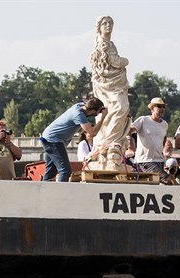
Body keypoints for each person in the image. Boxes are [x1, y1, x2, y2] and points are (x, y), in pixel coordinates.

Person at [89, 15, 131, 157]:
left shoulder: (109, 43)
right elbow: (115, 61)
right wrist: (126, 61)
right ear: (99, 27)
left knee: (114, 110)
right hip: (107, 84)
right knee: (120, 107)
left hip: (113, 83)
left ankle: (110, 141)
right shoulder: (103, 44)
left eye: (110, 23)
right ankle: (110, 141)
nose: (108, 25)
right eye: (105, 23)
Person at [40, 98, 107, 182]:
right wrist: (102, 117)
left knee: (51, 171)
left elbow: (89, 103)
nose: (98, 114)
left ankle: (44, 192)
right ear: (93, 111)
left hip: (48, 137)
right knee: (65, 171)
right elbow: (92, 133)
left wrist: (100, 107)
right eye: (98, 112)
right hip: (53, 140)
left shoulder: (79, 106)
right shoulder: (78, 115)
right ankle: (61, 193)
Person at [131, 97, 169, 182]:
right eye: (159, 106)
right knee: (166, 179)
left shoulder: (164, 124)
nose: (162, 109)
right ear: (152, 109)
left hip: (159, 159)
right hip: (145, 160)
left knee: (156, 184)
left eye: (163, 107)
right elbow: (130, 130)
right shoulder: (143, 120)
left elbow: (163, 139)